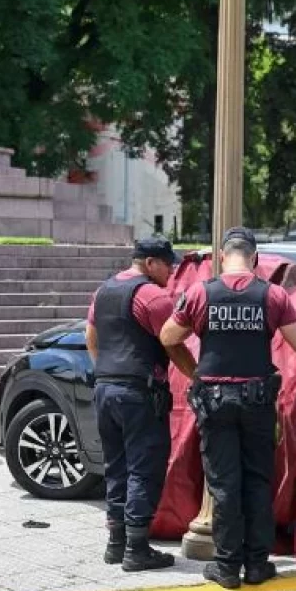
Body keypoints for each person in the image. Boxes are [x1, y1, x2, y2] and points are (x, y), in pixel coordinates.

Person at [160, 226, 296, 589]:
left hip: (215, 403)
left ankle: (227, 567)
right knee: (258, 481)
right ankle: (258, 565)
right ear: (255, 259)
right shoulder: (273, 295)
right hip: (258, 401)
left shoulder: (200, 293)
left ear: (222, 258)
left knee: (224, 484)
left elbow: (168, 337)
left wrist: (195, 373)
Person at [86, 236, 196, 572]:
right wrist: (197, 375)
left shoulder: (103, 291)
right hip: (139, 394)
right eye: (167, 265)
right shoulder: (150, 295)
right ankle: (136, 548)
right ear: (150, 263)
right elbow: (173, 342)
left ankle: (115, 543)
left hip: (105, 390)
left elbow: (91, 335)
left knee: (116, 468)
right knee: (143, 470)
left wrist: (106, 371)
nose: (172, 272)